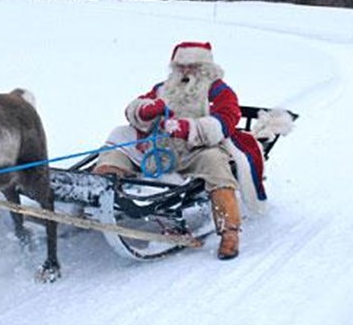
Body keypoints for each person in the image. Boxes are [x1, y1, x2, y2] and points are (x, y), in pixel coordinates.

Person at [93, 41, 247, 260]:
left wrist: (189, 128)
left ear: (204, 67)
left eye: (191, 66)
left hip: (197, 150)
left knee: (215, 163)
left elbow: (227, 121)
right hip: (159, 149)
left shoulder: (219, 90)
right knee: (120, 134)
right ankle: (105, 180)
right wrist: (144, 111)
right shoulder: (163, 88)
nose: (185, 72)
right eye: (180, 66)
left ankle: (229, 231)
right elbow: (133, 110)